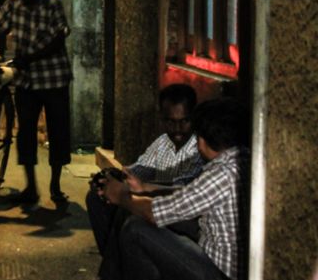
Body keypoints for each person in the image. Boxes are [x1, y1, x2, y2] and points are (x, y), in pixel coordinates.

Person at [103, 97, 248, 280]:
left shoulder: (222, 173)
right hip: (221, 256)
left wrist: (123, 197)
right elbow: (188, 195)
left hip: (219, 273)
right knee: (136, 213)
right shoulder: (243, 159)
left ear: (202, 140)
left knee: (136, 228)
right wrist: (144, 189)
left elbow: (158, 212)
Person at [88, 83, 204, 278]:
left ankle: (112, 274)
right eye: (170, 122)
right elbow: (139, 169)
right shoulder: (162, 142)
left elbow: (184, 189)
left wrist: (141, 190)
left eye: (184, 121)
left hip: (183, 214)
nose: (177, 129)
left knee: (129, 210)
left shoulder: (200, 147)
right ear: (162, 119)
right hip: (159, 205)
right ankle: (117, 268)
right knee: (96, 197)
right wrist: (113, 178)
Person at [0, 0, 71, 205]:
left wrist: (29, 58)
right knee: (25, 133)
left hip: (54, 78)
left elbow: (58, 40)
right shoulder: (12, 5)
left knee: (58, 132)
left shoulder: (52, 4)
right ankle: (31, 186)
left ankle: (55, 185)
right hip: (27, 80)